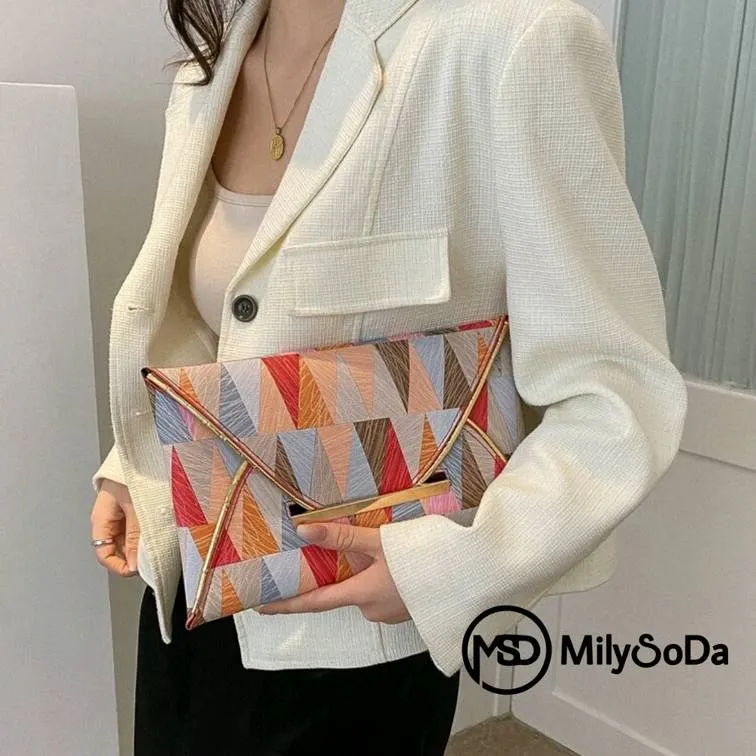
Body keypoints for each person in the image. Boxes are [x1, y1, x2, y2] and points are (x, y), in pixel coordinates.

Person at [89, 0, 688, 753]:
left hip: (358, 636)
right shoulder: (206, 73)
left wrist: (451, 568)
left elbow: (618, 391)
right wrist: (135, 465)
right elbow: (218, 324)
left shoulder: (512, 41)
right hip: (192, 579)